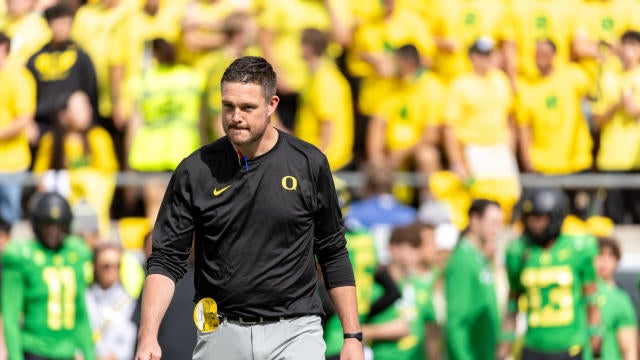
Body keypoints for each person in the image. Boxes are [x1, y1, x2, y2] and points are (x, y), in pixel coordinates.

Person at [135, 56, 363, 360]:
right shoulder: (195, 170)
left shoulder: (309, 164)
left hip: (296, 331)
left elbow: (333, 251)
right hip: (220, 330)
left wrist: (352, 336)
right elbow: (165, 259)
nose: (235, 116)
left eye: (247, 108)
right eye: (227, 106)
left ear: (272, 105)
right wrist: (148, 336)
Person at [503, 188, 601, 360]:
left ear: (555, 217)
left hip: (569, 345)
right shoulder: (519, 251)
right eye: (530, 218)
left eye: (539, 219)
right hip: (534, 345)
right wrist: (504, 347)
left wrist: (595, 343)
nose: (534, 224)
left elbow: (591, 302)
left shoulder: (578, 248)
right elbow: (512, 306)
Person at [2, 192, 95, 360]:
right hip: (34, 349)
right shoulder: (21, 255)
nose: (52, 231)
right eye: (47, 224)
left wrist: (90, 355)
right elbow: (10, 316)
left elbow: (81, 312)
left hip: (67, 351)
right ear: (37, 224)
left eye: (58, 225)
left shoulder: (76, 254)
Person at [33, 90, 119, 239]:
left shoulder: (99, 137)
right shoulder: (50, 141)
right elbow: (40, 176)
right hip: (61, 206)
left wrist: (75, 179)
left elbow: (106, 174)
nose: (87, 110)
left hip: (91, 206)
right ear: (63, 115)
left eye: (88, 105)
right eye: (80, 107)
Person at [26, 3, 98, 142]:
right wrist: (29, 122)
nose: (61, 28)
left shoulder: (81, 56)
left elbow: (91, 92)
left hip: (74, 126)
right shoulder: (35, 58)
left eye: (66, 23)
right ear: (48, 25)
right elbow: (28, 93)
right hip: (43, 125)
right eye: (57, 23)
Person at [444, 199, 503, 360]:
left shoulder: (478, 258)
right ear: (474, 221)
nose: (497, 230)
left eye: (499, 223)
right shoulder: (462, 261)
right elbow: (456, 322)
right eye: (493, 223)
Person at [592, 30, 640, 224]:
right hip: (612, 158)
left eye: (634, 46)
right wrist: (617, 106)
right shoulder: (608, 77)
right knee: (615, 220)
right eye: (626, 45)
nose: (630, 51)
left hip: (637, 159)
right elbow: (597, 119)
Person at [296, 28, 354, 172]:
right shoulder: (319, 76)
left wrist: (318, 158)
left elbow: (328, 122)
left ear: (308, 48)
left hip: (329, 162)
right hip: (321, 159)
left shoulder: (325, 79)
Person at [0, 31, 35, 227]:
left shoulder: (18, 77)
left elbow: (24, 119)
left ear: (4, 49)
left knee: (9, 223)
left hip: (10, 163)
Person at [86, 244, 137, 360]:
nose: (112, 270)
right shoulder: (84, 298)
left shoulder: (128, 301)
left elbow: (128, 339)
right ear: (95, 266)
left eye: (117, 265)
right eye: (106, 266)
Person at [594, 237, 637, 360]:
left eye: (610, 255)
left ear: (617, 260)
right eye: (600, 254)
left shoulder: (622, 300)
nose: (604, 261)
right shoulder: (579, 294)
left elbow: (629, 350)